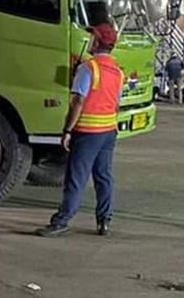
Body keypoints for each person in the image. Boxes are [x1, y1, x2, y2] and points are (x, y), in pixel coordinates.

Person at [36, 23, 123, 237]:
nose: (89, 40)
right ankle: (104, 221)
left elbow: (78, 102)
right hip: (108, 130)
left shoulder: (88, 68)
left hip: (88, 131)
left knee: (77, 177)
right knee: (103, 176)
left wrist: (67, 130)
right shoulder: (118, 71)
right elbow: (116, 104)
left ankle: (62, 221)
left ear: (97, 42)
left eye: (92, 37)